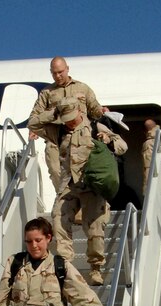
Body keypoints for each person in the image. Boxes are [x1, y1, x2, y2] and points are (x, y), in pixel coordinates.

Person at [46, 98, 128, 285]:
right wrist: (55, 113)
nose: (68, 122)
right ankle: (66, 264)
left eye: (71, 116)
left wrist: (107, 140)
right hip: (69, 185)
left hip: (91, 185)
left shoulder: (94, 127)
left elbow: (123, 146)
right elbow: (34, 122)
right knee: (58, 218)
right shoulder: (58, 131)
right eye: (65, 117)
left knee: (95, 229)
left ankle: (95, 268)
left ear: (80, 113)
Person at [28, 56, 105, 194]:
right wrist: (37, 128)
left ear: (67, 69)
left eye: (60, 72)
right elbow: (35, 115)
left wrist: (102, 111)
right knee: (55, 170)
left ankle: (82, 201)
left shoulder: (82, 88)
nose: (57, 76)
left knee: (82, 171)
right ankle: (65, 198)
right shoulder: (47, 93)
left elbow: (94, 108)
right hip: (57, 137)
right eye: (54, 73)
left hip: (80, 137)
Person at [142, 118, 161, 195]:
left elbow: (148, 169)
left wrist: (146, 192)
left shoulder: (150, 142)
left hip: (152, 176)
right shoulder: (157, 137)